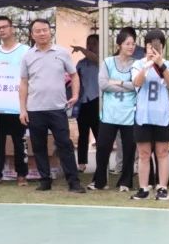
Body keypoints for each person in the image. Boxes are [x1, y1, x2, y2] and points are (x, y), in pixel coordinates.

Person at [18, 19, 84, 193]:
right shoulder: (27, 56)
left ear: (50, 31)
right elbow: (23, 83)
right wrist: (22, 109)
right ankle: (44, 180)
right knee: (39, 147)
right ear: (32, 35)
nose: (42, 33)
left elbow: (74, 75)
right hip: (35, 109)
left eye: (45, 30)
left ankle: (74, 182)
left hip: (58, 108)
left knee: (65, 145)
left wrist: (75, 95)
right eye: (37, 31)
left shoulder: (61, 52)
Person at [130, 30, 169, 201]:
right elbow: (136, 82)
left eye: (157, 46)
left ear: (162, 47)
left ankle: (162, 188)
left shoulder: (168, 65)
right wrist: (148, 65)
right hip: (143, 114)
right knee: (144, 153)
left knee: (162, 152)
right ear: (146, 47)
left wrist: (160, 64)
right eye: (150, 46)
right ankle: (143, 188)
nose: (153, 50)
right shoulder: (138, 64)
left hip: (162, 114)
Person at [0, 16, 29, 187]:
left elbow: (29, 75)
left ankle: (21, 174)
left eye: (4, 27)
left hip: (18, 104)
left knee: (19, 141)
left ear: (12, 28)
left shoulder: (25, 50)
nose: (1, 30)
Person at [89, 29, 137, 192]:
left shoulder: (136, 64)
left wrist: (118, 82)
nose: (131, 47)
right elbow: (103, 84)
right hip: (109, 114)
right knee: (103, 148)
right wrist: (127, 86)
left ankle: (126, 182)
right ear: (119, 45)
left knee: (129, 149)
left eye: (133, 44)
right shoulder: (108, 62)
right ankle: (99, 181)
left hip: (129, 113)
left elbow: (137, 85)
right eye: (127, 44)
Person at [72, 34, 100, 173]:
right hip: (83, 101)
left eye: (94, 43)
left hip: (97, 101)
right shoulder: (81, 63)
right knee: (83, 134)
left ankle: (102, 162)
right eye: (88, 43)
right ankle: (82, 163)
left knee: (99, 133)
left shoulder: (101, 61)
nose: (90, 46)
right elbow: (75, 80)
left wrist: (82, 49)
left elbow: (94, 57)